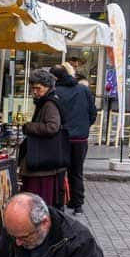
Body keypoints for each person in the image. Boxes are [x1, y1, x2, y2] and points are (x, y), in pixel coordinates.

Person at [50, 64, 97, 214]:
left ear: (56, 78)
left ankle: (59, 204)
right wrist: (83, 127)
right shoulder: (83, 90)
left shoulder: (55, 92)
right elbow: (92, 113)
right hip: (80, 139)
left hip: (61, 138)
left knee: (59, 172)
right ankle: (77, 205)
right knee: (77, 172)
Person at [19, 68, 67, 208]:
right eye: (32, 88)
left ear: (47, 87)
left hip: (43, 163)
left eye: (38, 88)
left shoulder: (50, 104)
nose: (34, 91)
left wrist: (29, 127)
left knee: (38, 202)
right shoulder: (45, 101)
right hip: (43, 163)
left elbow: (52, 127)